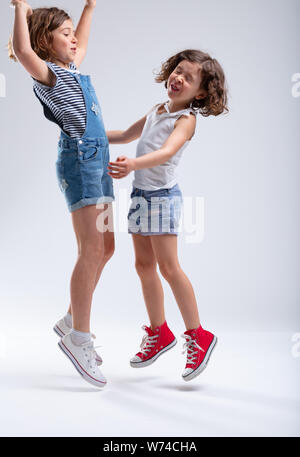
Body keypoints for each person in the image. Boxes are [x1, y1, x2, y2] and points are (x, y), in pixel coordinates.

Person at [10, 0, 114, 388]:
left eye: (73, 32)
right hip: (81, 162)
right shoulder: (49, 74)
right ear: (44, 40)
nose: (74, 40)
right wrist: (20, 7)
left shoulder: (74, 69)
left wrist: (89, 7)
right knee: (90, 249)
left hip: (99, 161)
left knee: (107, 248)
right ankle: (78, 338)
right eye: (65, 33)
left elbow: (82, 43)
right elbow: (22, 50)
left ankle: (71, 319)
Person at [107, 49, 228, 381]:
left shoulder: (186, 119)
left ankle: (199, 336)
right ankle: (160, 332)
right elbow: (125, 135)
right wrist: (91, 134)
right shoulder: (157, 109)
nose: (178, 78)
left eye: (189, 78)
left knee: (169, 268)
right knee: (143, 265)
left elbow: (166, 152)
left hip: (162, 198)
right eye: (178, 70)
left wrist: (131, 165)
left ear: (200, 93)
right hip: (140, 195)